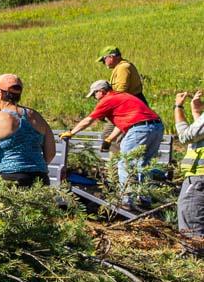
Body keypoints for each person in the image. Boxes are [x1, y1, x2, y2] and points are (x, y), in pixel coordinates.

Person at [60, 81, 163, 209]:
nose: (94, 98)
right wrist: (109, 139)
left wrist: (71, 132)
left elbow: (89, 120)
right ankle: (144, 198)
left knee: (125, 162)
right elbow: (124, 122)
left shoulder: (107, 99)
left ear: (101, 91)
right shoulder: (123, 97)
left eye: (94, 95)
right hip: (156, 127)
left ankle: (125, 200)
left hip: (139, 129)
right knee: (144, 163)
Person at [175, 89, 204, 255]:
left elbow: (186, 136)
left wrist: (178, 107)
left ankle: (195, 272)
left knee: (192, 231)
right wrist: (197, 113)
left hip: (199, 178)